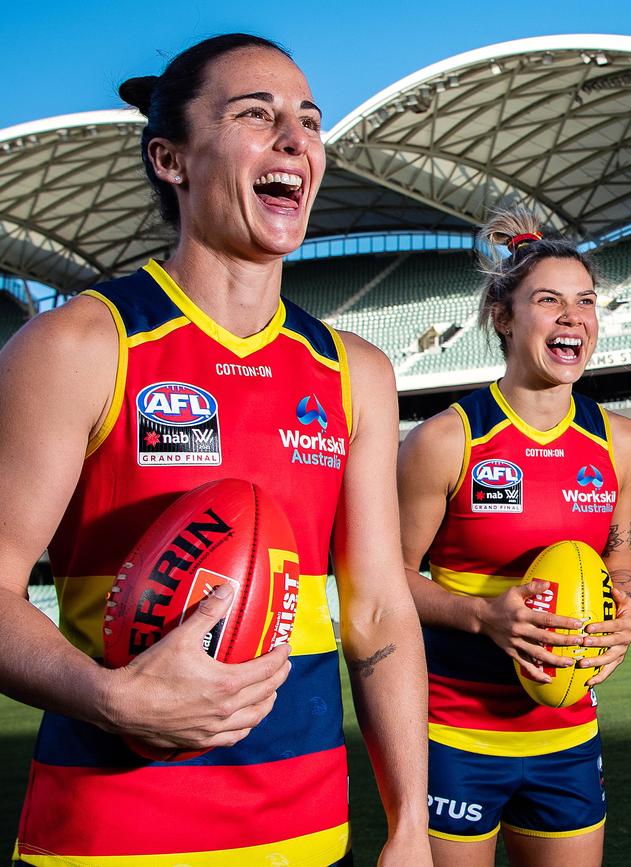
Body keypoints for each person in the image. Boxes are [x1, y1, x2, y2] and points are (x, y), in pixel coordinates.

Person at [1, 34, 431, 866]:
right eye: (256, 116)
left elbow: (378, 609)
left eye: (308, 122)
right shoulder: (80, 345)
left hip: (309, 837)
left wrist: (409, 818)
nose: (295, 140)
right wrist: (112, 698)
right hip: (110, 838)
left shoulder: (355, 373)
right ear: (171, 158)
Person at [397, 207, 631, 867]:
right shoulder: (446, 440)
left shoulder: (622, 442)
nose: (574, 317)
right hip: (453, 735)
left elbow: (619, 558)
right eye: (550, 301)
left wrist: (624, 609)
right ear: (504, 318)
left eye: (586, 301)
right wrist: (483, 616)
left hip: (569, 734)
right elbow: (384, 577)